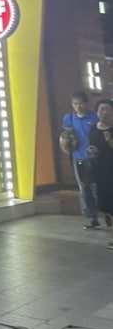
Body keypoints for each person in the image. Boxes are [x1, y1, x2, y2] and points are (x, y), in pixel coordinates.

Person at [62, 90, 99, 229]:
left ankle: (106, 212)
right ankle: (91, 218)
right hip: (77, 158)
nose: (78, 106)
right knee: (84, 189)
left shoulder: (94, 117)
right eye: (75, 103)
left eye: (80, 103)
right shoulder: (69, 118)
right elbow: (64, 135)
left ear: (86, 103)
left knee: (97, 188)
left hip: (94, 159)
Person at [87, 99, 113, 247]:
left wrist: (109, 140)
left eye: (107, 109)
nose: (104, 112)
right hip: (100, 170)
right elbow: (93, 145)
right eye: (101, 109)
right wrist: (93, 150)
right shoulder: (94, 128)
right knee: (104, 201)